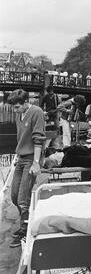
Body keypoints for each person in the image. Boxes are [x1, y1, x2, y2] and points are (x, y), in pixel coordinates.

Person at [7, 89, 46, 247]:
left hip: (31, 158)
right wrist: (17, 156)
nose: (14, 110)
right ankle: (27, 220)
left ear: (25, 103)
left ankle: (25, 229)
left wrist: (36, 163)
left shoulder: (36, 112)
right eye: (13, 108)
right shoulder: (19, 114)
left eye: (17, 107)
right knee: (15, 196)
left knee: (23, 198)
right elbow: (21, 138)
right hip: (22, 157)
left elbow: (38, 139)